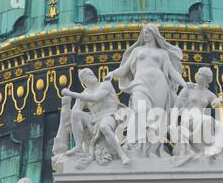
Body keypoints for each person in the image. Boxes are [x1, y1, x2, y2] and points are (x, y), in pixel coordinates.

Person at [104, 24, 187, 157]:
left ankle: (153, 151)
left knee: (157, 115)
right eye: (143, 32)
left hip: (159, 84)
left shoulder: (163, 53)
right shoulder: (137, 51)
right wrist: (112, 73)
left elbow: (172, 72)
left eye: (147, 32)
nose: (145, 34)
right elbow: (124, 69)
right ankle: (135, 146)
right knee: (139, 110)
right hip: (140, 83)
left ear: (154, 34)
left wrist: (185, 84)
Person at [61, 68, 130, 165]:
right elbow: (74, 113)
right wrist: (66, 107)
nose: (93, 76)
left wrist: (71, 94)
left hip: (110, 114)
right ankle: (78, 145)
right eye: (89, 75)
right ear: (83, 81)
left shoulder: (105, 85)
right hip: (95, 119)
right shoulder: (84, 94)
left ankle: (121, 154)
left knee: (104, 127)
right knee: (75, 114)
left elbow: (96, 98)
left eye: (92, 73)